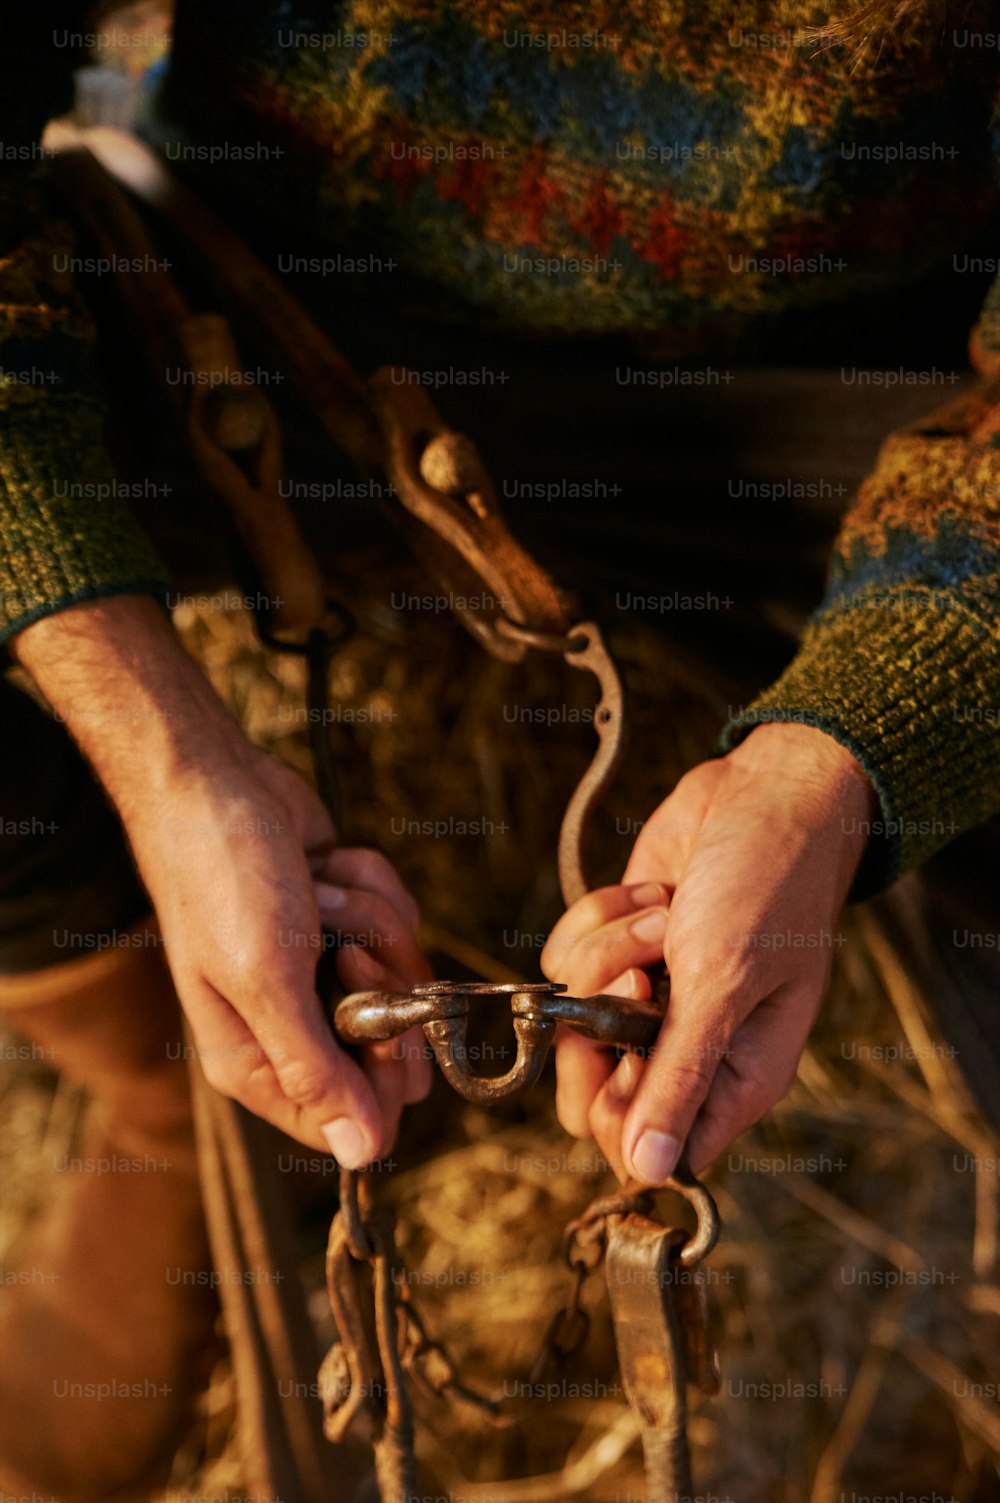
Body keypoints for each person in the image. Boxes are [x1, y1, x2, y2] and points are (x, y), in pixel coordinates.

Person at [1, 1, 997, 1497]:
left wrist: (852, 750)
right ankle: (145, 1060)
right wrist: (155, 743)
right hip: (269, 284)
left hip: (868, 366)